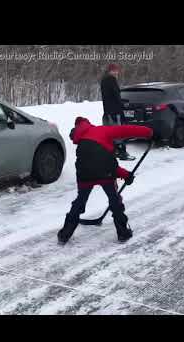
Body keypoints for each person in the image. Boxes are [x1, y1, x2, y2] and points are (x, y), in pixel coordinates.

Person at [57, 117, 153, 245]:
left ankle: (65, 234)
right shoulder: (102, 130)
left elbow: (94, 162)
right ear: (88, 124)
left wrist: (125, 175)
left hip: (84, 174)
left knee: (80, 200)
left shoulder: (81, 141)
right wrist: (148, 132)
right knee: (115, 200)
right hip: (106, 174)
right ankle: (123, 233)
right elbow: (126, 130)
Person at [100, 63, 134, 161]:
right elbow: (116, 96)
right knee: (118, 133)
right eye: (114, 71)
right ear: (110, 71)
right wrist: (121, 107)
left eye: (116, 71)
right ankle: (122, 153)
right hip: (114, 112)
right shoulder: (112, 80)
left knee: (108, 134)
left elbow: (107, 96)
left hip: (107, 112)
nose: (116, 73)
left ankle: (109, 153)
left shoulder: (103, 80)